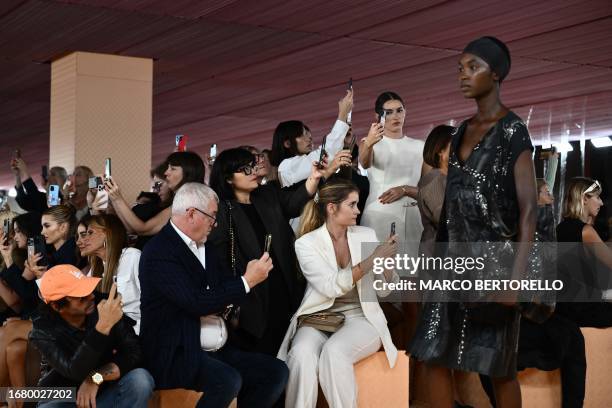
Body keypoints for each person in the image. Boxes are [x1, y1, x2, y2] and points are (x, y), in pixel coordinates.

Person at [409, 36, 538, 408]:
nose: (462, 75)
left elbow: (529, 210)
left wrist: (515, 282)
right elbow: (450, 208)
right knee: (431, 353)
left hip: (495, 269)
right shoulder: (461, 131)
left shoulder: (514, 131)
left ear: (495, 74)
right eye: (459, 69)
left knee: (497, 368)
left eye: (472, 67)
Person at [139, 182, 288, 407]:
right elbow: (196, 302)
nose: (215, 224)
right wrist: (247, 282)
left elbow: (223, 287)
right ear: (191, 214)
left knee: (275, 372)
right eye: (212, 216)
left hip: (217, 345)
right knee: (227, 381)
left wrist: (236, 291)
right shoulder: (159, 251)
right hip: (177, 351)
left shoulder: (207, 247)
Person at [278, 179, 399, 408]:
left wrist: (387, 267)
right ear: (331, 208)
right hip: (318, 317)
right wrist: (372, 260)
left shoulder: (366, 234)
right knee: (301, 355)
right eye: (352, 205)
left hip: (361, 317)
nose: (358, 211)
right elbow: (330, 286)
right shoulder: (306, 243)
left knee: (335, 353)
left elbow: (385, 291)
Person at [208, 148, 322, 355]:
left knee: (287, 346)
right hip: (252, 296)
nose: (253, 171)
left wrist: (314, 178)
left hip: (283, 283)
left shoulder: (266, 194)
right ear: (228, 179)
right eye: (244, 169)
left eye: (252, 165)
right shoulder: (222, 210)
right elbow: (219, 259)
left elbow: (294, 203)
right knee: (263, 352)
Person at [29, 264, 154, 408]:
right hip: (65, 398)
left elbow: (135, 353)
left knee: (140, 380)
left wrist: (96, 378)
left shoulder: (104, 306)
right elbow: (75, 371)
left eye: (89, 289)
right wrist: (102, 328)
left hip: (104, 391)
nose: (91, 296)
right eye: (82, 297)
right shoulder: (43, 330)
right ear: (57, 307)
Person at [359, 91, 424, 245]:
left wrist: (406, 189)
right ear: (378, 117)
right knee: (379, 266)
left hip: (414, 216)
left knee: (413, 266)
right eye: (389, 112)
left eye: (399, 110)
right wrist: (369, 142)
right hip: (380, 214)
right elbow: (364, 163)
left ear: (405, 112)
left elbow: (429, 188)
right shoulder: (368, 143)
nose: (395, 116)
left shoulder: (420, 146)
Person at [106, 151, 205, 236]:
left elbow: (143, 229)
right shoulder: (178, 201)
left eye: (173, 169)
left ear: (188, 173)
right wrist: (115, 199)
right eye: (168, 168)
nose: (166, 173)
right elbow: (132, 230)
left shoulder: (187, 203)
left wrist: (118, 198)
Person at [270, 90, 352, 188]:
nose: (309, 138)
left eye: (308, 134)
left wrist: (345, 144)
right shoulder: (286, 166)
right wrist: (342, 114)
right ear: (287, 143)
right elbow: (324, 155)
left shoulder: (294, 164)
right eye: (302, 134)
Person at [78, 214, 142, 334]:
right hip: (109, 337)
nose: (80, 241)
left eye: (89, 233)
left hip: (137, 335)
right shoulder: (94, 269)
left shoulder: (132, 256)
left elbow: (152, 302)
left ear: (108, 234)